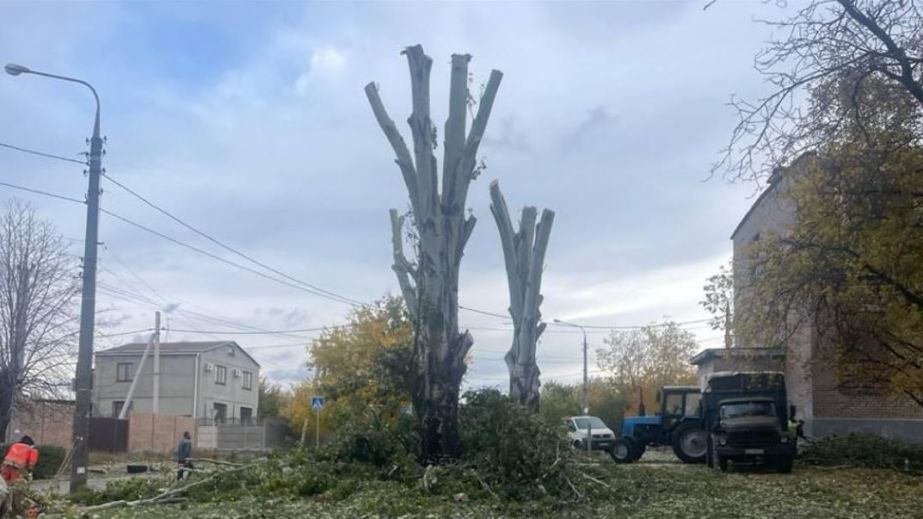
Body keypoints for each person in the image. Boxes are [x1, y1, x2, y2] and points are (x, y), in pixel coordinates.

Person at [2, 435, 38, 516]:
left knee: (4, 486)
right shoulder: (32, 449)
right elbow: (31, 463)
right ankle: (15, 508)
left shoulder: (15, 445)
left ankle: (4, 504)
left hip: (6, 466)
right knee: (17, 488)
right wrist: (30, 472)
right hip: (18, 468)